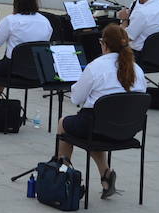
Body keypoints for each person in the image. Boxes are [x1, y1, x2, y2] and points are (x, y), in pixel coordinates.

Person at [58, 23, 146, 199]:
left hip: (98, 127)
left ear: (104, 44)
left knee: (64, 123)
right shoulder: (137, 70)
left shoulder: (96, 66)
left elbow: (76, 99)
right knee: (95, 128)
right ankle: (106, 175)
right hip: (127, 130)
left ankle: (62, 177)